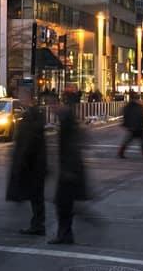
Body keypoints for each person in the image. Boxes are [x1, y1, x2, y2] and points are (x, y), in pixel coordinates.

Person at [6, 86, 48, 236]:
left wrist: (22, 159)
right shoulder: (30, 114)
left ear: (28, 97)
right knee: (35, 195)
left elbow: (30, 140)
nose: (20, 99)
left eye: (22, 96)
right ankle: (37, 223)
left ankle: (38, 225)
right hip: (34, 163)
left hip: (33, 164)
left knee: (36, 195)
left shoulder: (33, 114)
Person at [50, 92, 88, 246]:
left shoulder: (67, 121)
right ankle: (66, 234)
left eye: (54, 104)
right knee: (65, 204)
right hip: (69, 169)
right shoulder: (68, 119)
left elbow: (71, 146)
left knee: (63, 204)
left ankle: (64, 235)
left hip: (69, 171)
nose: (51, 108)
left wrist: (68, 170)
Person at [118, 91, 143, 159]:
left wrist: (126, 124)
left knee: (130, 140)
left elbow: (125, 116)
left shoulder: (128, 106)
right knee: (141, 141)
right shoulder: (138, 106)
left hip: (133, 126)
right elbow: (142, 116)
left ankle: (121, 152)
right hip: (138, 127)